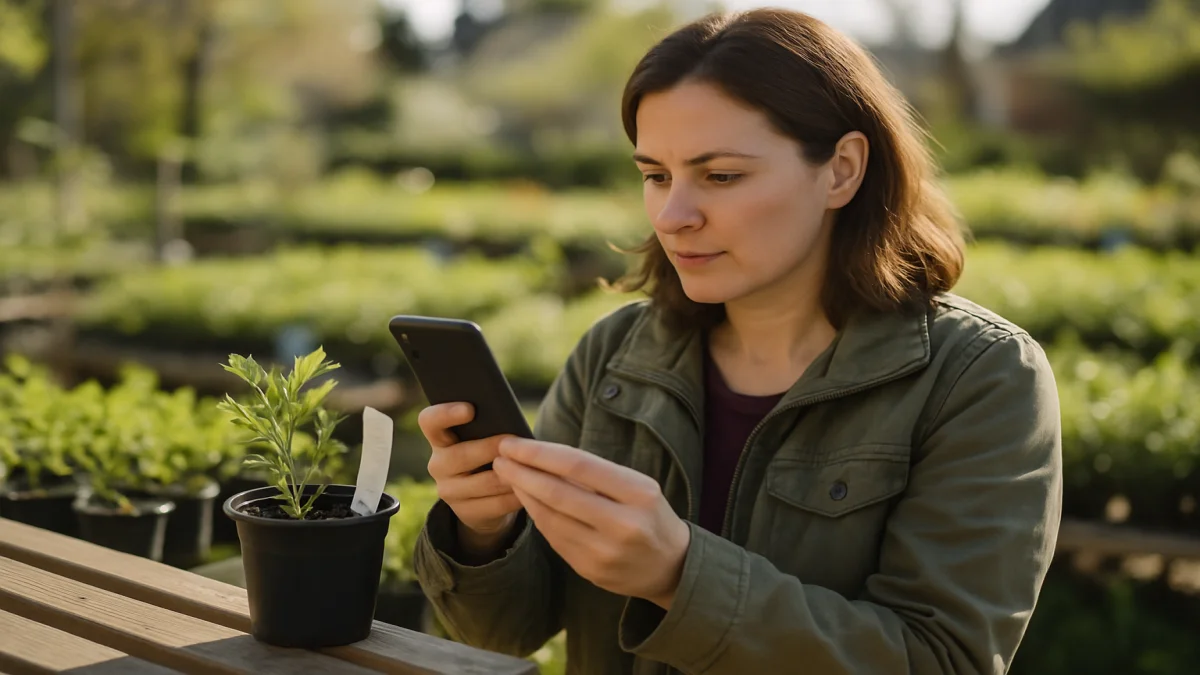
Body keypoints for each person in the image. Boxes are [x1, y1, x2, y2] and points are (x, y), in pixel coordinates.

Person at [412, 7, 1062, 674]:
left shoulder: (979, 377)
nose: (673, 215)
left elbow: (942, 660)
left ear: (842, 169)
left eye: (720, 175)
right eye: (656, 175)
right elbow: (502, 633)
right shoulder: (613, 357)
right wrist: (484, 532)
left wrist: (679, 575)